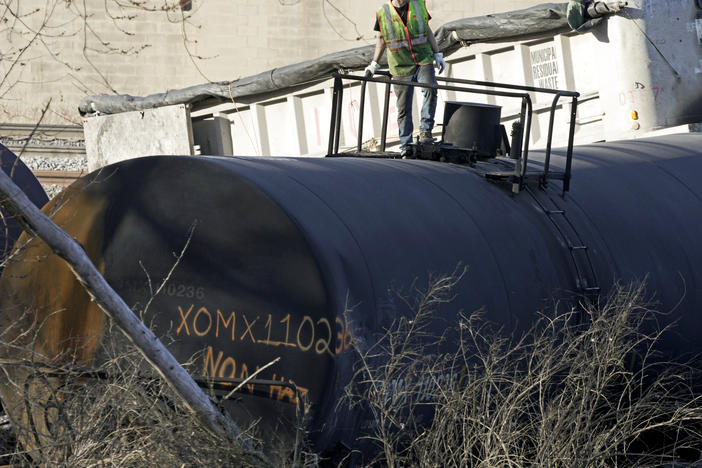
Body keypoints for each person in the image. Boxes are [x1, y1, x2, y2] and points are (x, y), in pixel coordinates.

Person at [364, 0, 446, 156]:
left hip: (423, 59)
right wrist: (374, 64)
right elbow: (381, 39)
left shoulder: (418, 4)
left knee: (431, 90)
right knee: (403, 108)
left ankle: (425, 131)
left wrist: (437, 53)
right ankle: (406, 145)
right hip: (401, 65)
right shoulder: (383, 12)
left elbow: (427, 30)